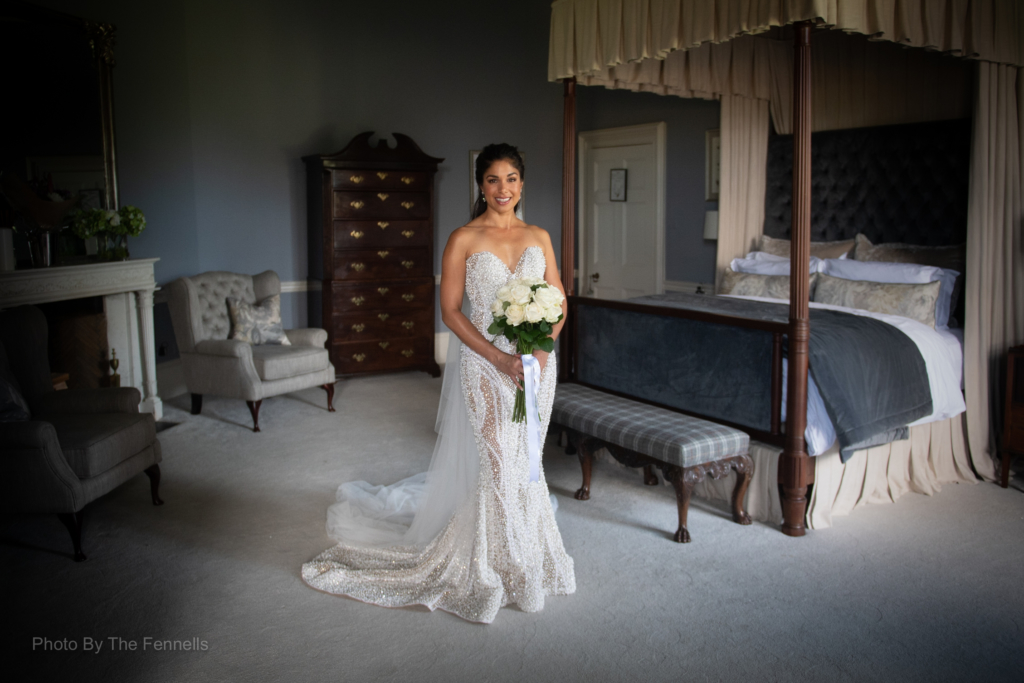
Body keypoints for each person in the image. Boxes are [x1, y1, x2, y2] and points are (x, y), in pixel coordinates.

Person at [302, 143, 576, 624]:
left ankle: (530, 556)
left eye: (511, 178)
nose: (503, 189)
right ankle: (490, 566)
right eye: (493, 180)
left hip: (535, 367)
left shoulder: (540, 235)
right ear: (480, 185)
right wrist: (498, 358)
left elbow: (559, 299)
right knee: (498, 465)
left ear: (522, 182)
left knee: (526, 460)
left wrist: (539, 349)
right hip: (485, 364)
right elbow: (451, 311)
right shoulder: (463, 239)